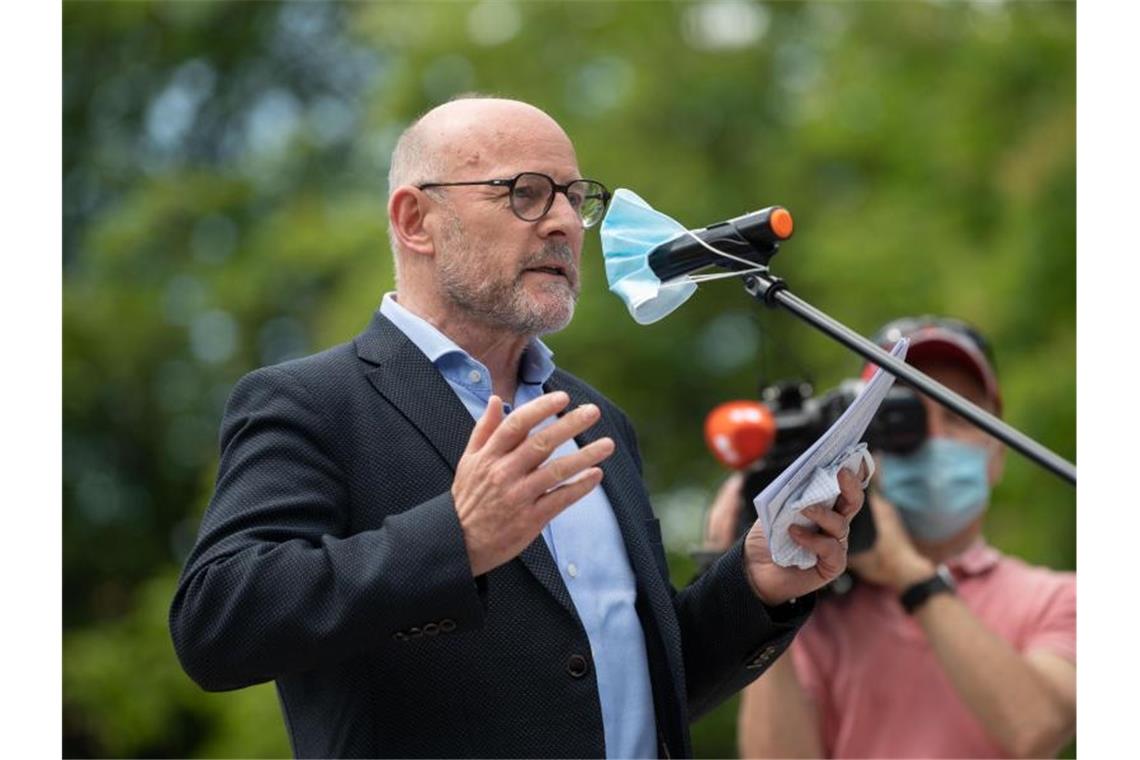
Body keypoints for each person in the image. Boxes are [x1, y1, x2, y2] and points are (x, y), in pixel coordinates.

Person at [169, 95, 867, 759]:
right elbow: (217, 622)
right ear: (416, 221)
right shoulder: (313, 403)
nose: (563, 223)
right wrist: (457, 540)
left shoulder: (596, 421)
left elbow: (628, 688)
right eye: (526, 193)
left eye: (574, 197)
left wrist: (754, 583)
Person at [704, 316, 1076, 758]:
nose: (934, 439)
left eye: (959, 416)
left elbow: (1036, 730)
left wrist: (907, 572)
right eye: (906, 420)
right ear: (862, 449)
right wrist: (759, 599)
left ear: (997, 455)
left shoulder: (1061, 598)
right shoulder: (811, 607)